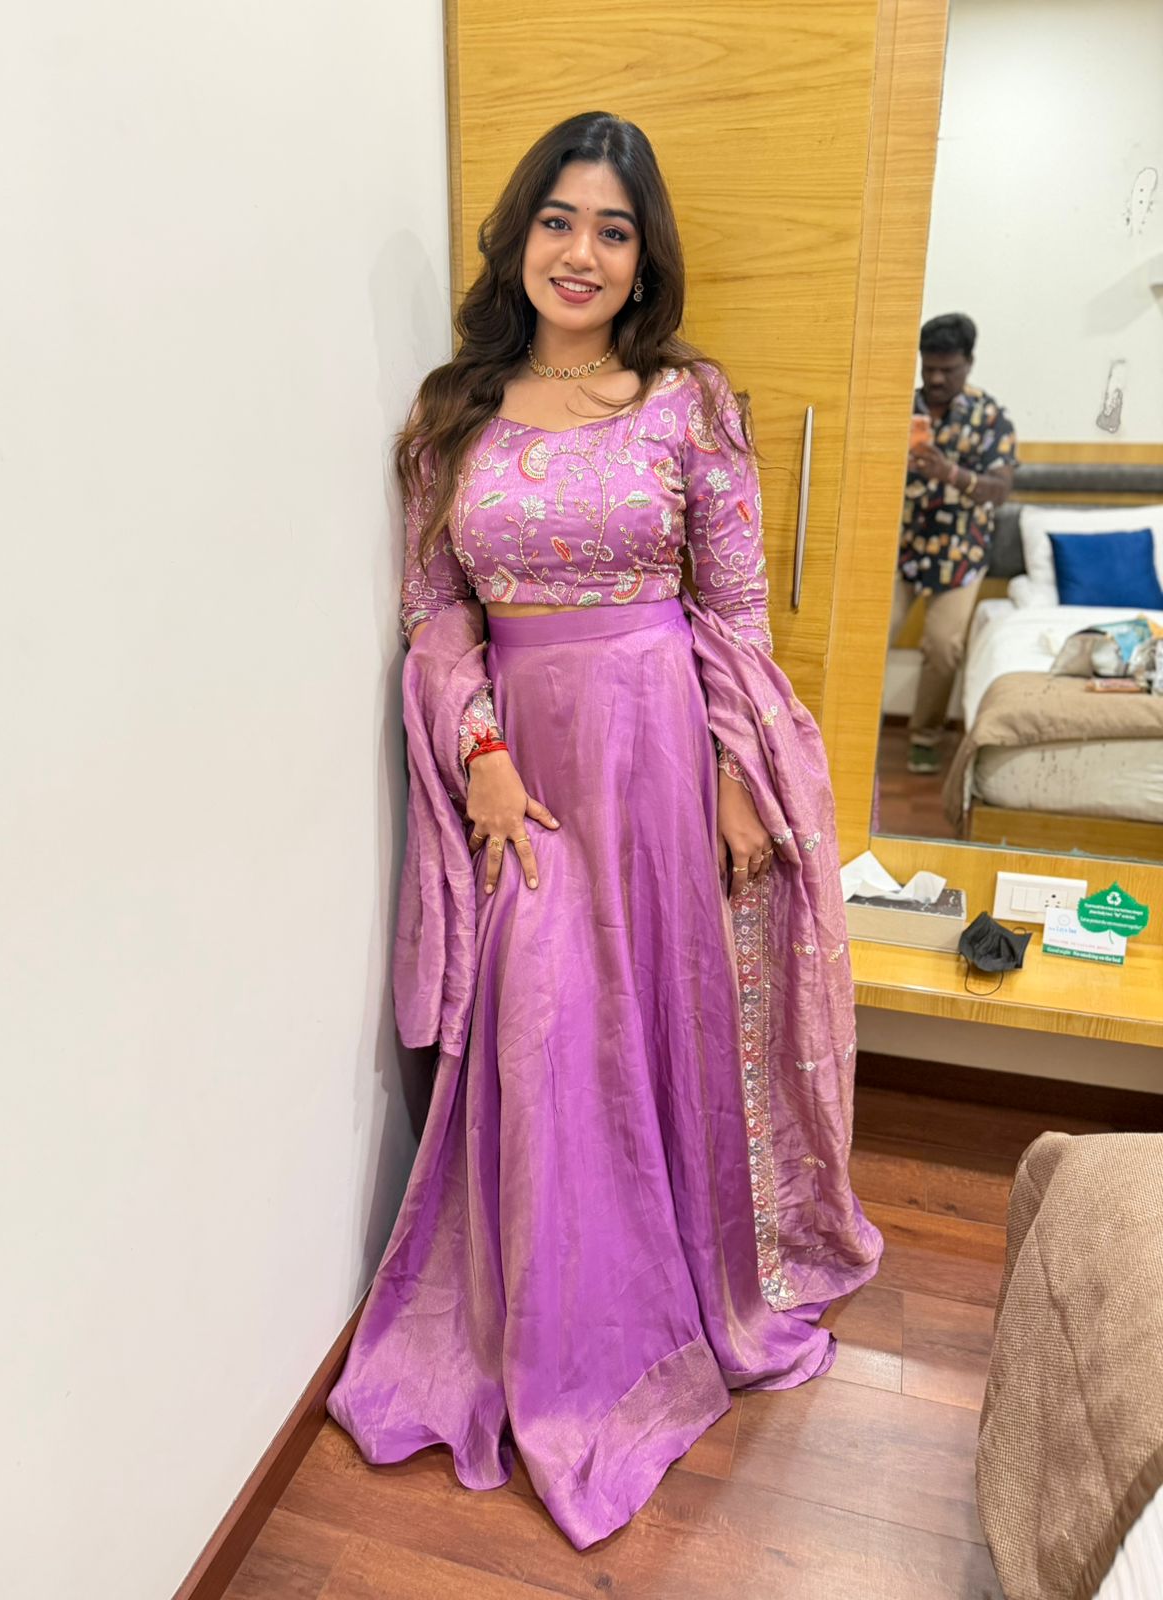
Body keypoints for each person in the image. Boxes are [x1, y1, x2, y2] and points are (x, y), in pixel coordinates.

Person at [327, 110, 882, 1551]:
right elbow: (435, 613)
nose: (581, 252)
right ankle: (559, 1333)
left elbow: (733, 609)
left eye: (614, 231)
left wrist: (737, 774)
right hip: (529, 766)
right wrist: (480, 757)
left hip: (660, 748)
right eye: (560, 220)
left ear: (645, 261)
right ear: (519, 237)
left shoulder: (689, 403)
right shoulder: (450, 417)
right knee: (544, 1031)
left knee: (659, 1020)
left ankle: (690, 1287)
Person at [893, 312, 1018, 774]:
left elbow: (1000, 489)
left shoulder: (990, 418)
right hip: (901, 546)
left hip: (959, 553)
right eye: (929, 368)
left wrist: (949, 472)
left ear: (969, 363)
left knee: (943, 648)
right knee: (869, 633)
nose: (936, 379)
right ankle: (851, 725)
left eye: (948, 369)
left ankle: (925, 738)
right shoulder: (902, 408)